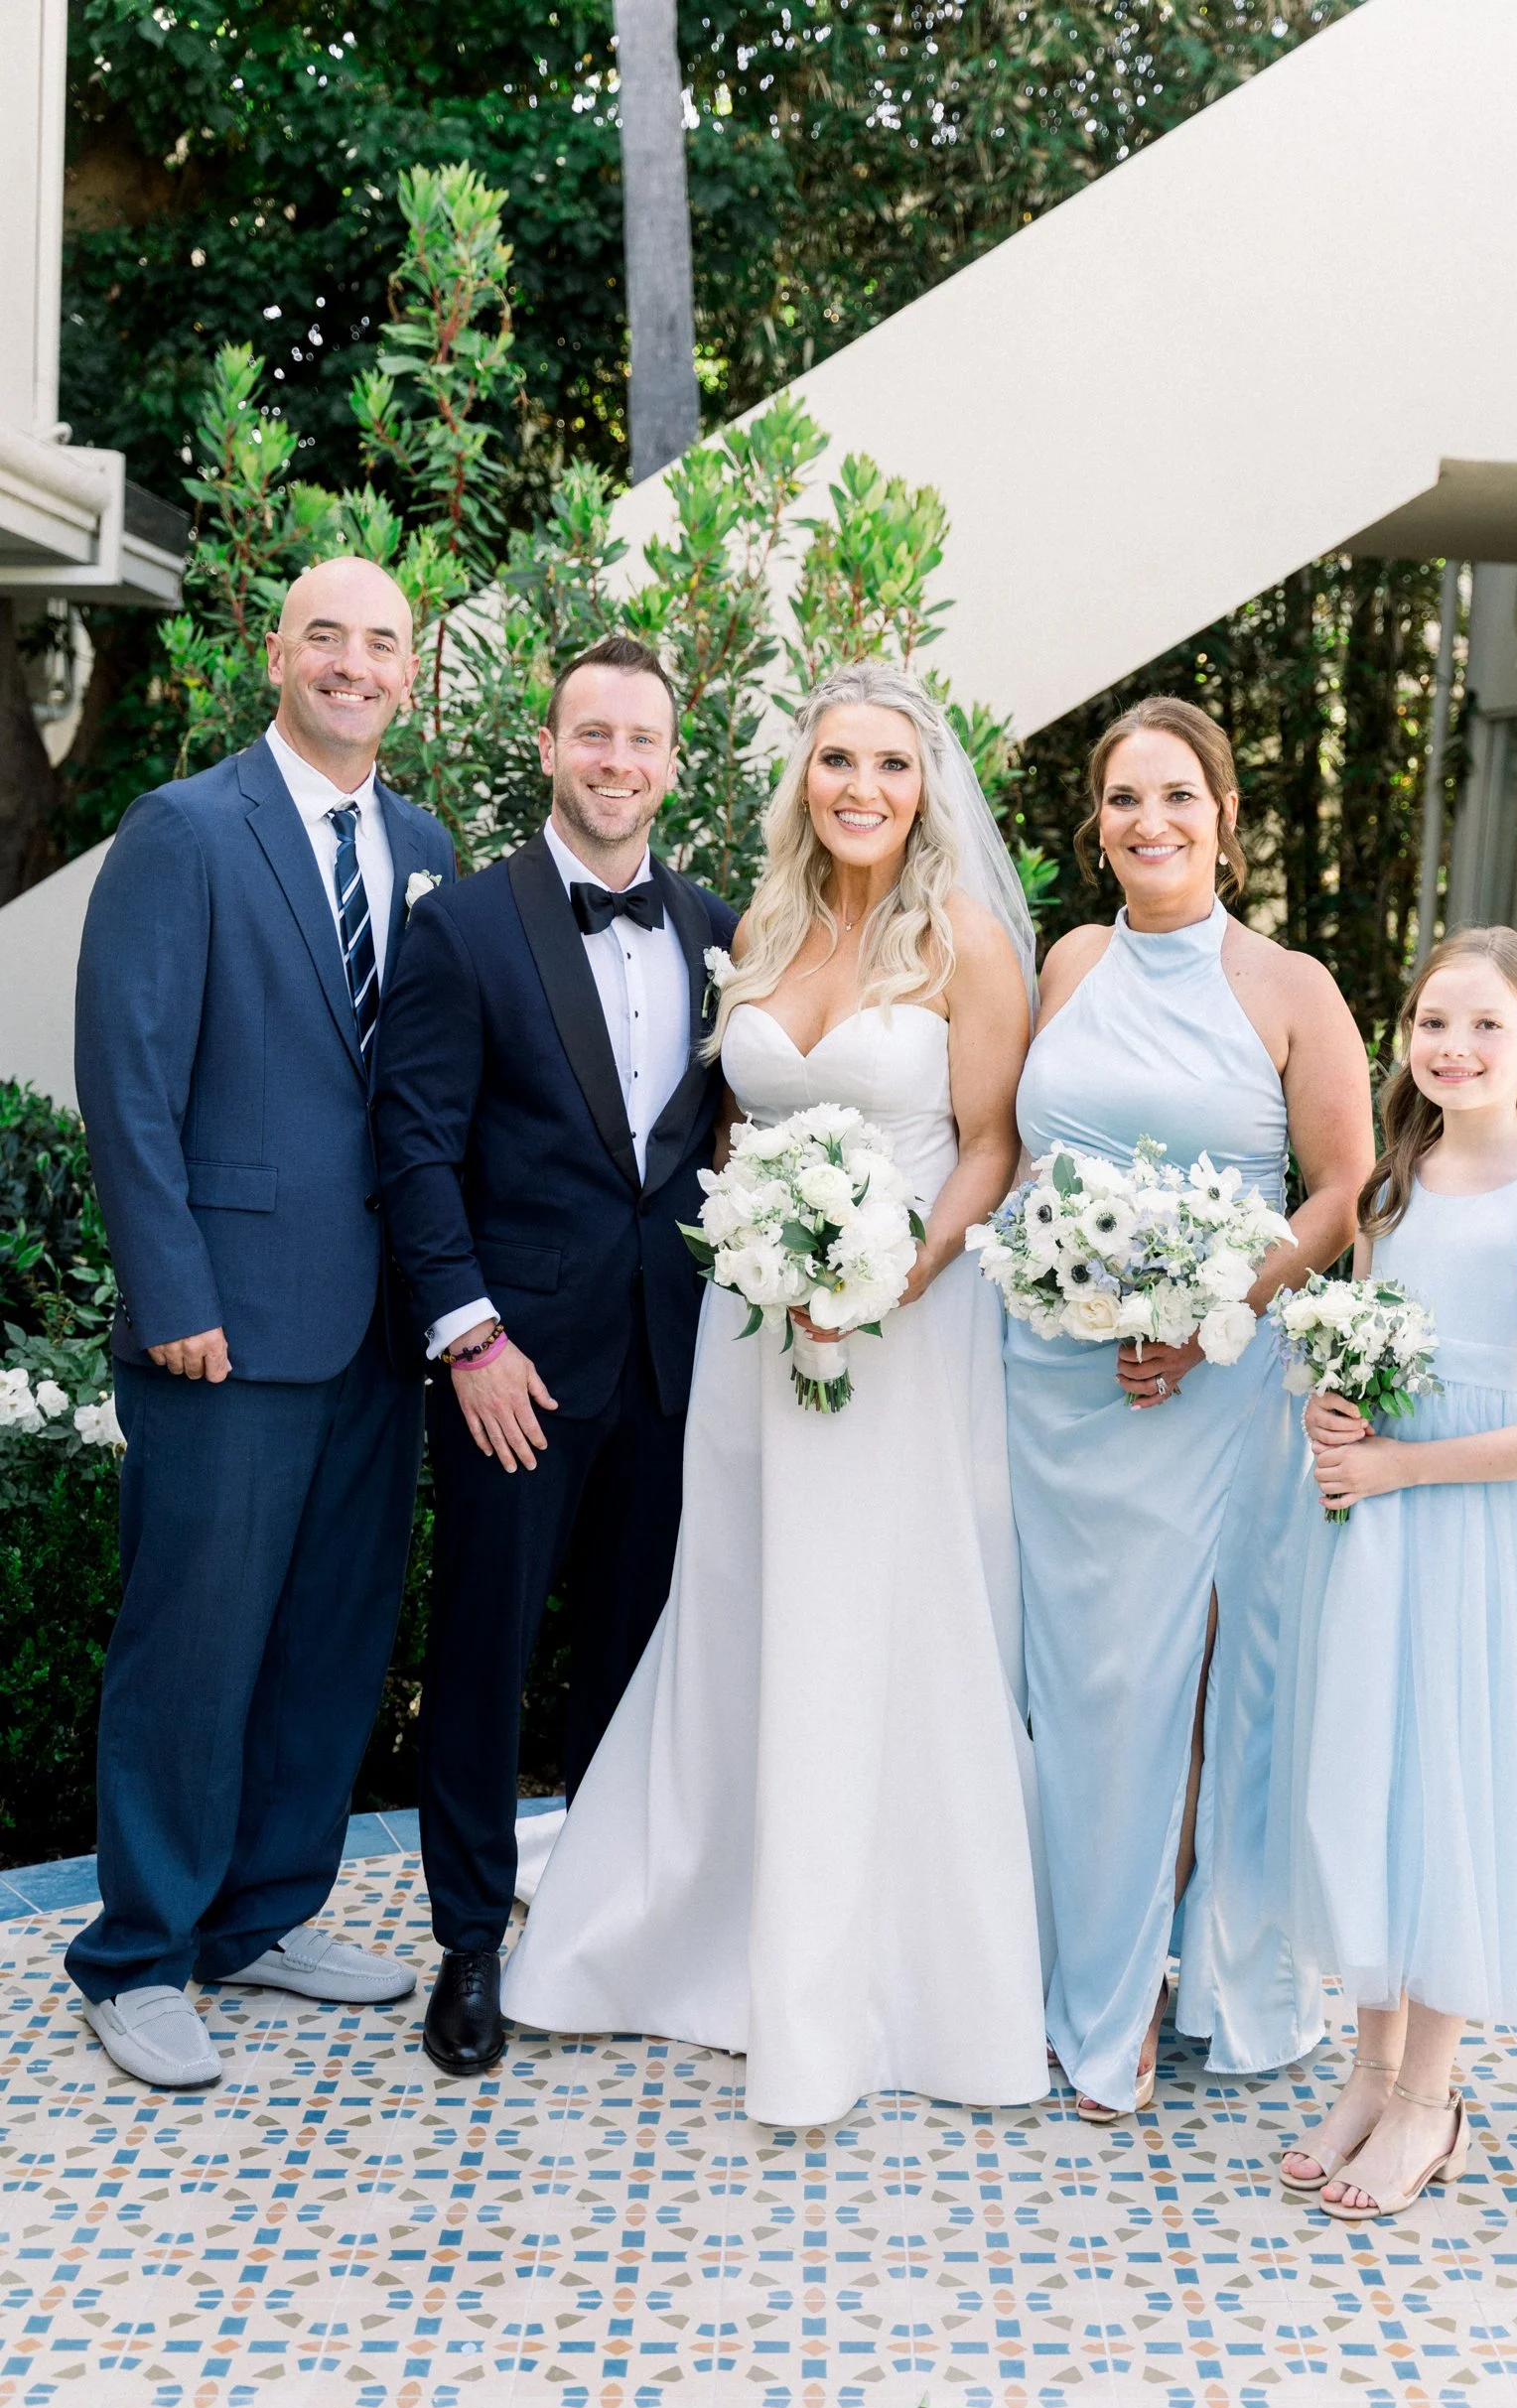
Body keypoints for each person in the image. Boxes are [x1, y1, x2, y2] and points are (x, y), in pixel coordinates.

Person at [501, 661, 1051, 2128]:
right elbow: (736, 1132)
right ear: (802, 781)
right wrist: (765, 1247)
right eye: (836, 762)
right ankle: (705, 1927)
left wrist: (897, 1275)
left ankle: (874, 1981)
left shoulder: (965, 942)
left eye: (890, 764)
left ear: (925, 787)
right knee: (744, 1601)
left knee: (874, 1617)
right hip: (751, 1333)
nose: (862, 788)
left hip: (900, 1334)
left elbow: (991, 1145)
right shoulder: (761, 928)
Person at [68, 555, 451, 2088]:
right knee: (194, 1645)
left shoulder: (421, 844)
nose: (355, 664)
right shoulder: (185, 829)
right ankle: (138, 1953)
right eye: (328, 637)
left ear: (409, 675)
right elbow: (127, 1078)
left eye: (383, 643)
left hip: (377, 1328)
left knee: (331, 1641)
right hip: (222, 1326)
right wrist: (174, 1294)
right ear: (279, 654)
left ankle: (261, 1917)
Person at [1004, 699, 1376, 2122]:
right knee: (1052, 1680)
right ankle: (1044, 1964)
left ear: (1225, 815)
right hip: (1045, 1379)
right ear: (1095, 822)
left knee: (1156, 1683)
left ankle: (1137, 1996)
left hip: (1209, 1388)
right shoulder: (1070, 961)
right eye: (1122, 798)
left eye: (1176, 796)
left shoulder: (1290, 986)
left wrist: (1212, 1312)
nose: (1148, 821)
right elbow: (1025, 1158)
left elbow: (1338, 1193)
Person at [371, 634, 737, 2077]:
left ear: (671, 762)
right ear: (549, 748)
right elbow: (413, 1147)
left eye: (641, 739)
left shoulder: (718, 928)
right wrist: (469, 1338)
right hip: (511, 1368)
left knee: (636, 1662)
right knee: (484, 1650)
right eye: (593, 734)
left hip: (671, 1357)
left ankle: (594, 1932)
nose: (616, 761)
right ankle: (469, 1941)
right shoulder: (465, 927)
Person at [1272, 927, 1517, 2218]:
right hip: (1378, 1532)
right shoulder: (1391, 1189)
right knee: (1374, 1785)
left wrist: (1407, 1467)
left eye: (1485, 1026)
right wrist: (1331, 1408)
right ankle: (1369, 2075)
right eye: (1432, 1022)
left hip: (1478, 1542)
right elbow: (1358, 1348)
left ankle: (1430, 2097)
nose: (1454, 1048)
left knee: (1451, 1796)